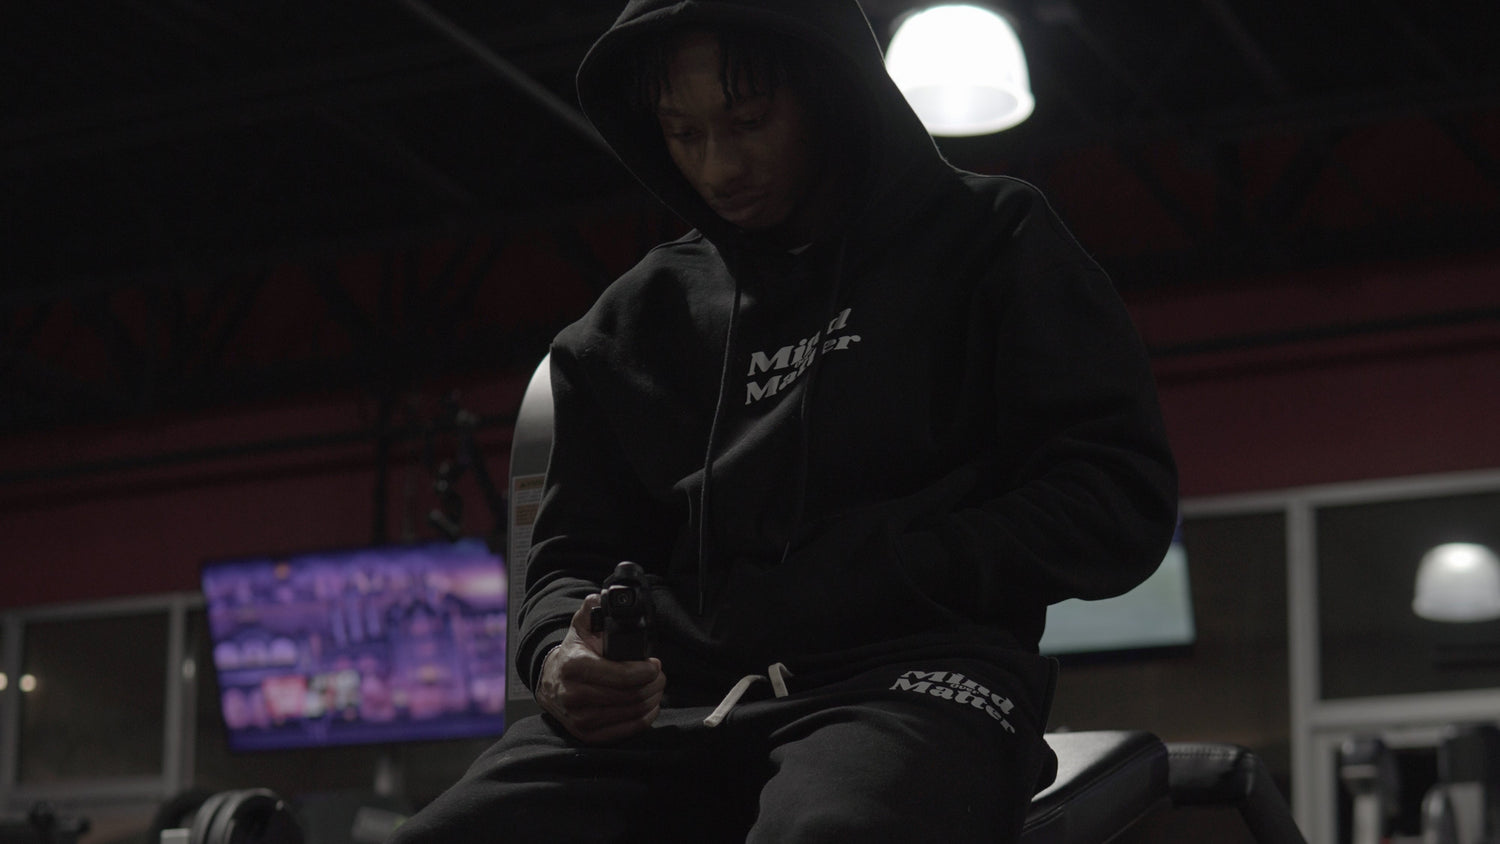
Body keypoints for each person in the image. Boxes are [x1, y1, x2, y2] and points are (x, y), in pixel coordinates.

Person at [390, 0, 1177, 841]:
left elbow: (1116, 497)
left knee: (834, 832)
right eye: (683, 133)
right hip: (672, 703)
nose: (719, 165)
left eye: (749, 121)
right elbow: (569, 562)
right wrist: (560, 655)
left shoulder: (990, 240)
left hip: (913, 679)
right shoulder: (627, 328)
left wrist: (883, 573)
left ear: (829, 90)